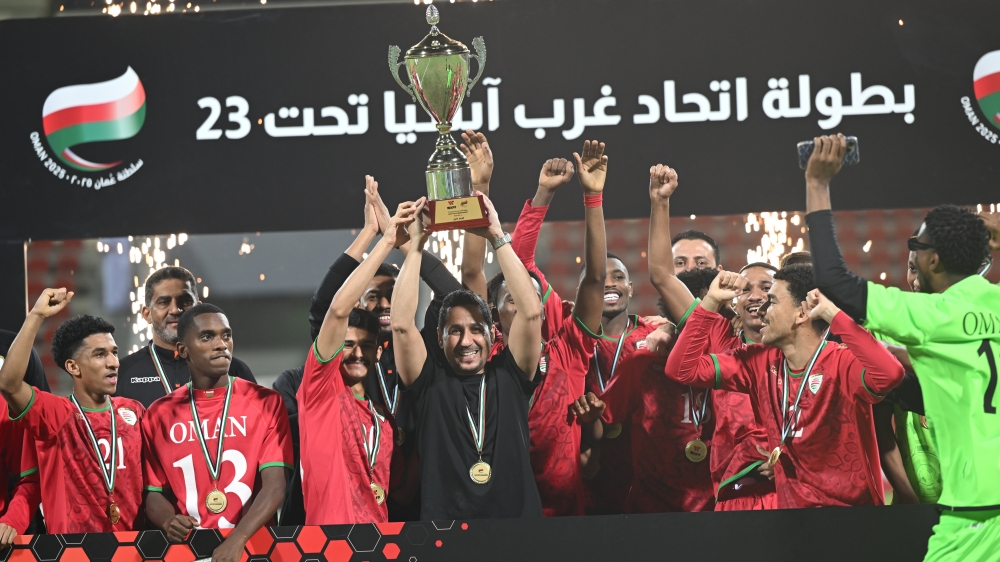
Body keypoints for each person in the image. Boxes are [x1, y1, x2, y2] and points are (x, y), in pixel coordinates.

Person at [803, 133, 1000, 560]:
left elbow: (835, 281)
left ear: (933, 261)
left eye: (918, 247)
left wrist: (817, 184)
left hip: (975, 517)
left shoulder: (930, 316)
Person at [276, 176, 460, 523]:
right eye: (375, 296)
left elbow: (456, 300)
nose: (386, 304)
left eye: (393, 294)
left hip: (405, 507)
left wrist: (408, 245)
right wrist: (375, 236)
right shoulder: (333, 373)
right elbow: (329, 308)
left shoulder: (418, 353)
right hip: (333, 516)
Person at [665, 267, 904, 508]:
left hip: (850, 517)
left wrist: (835, 316)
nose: (762, 311)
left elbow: (890, 374)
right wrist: (711, 302)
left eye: (772, 302)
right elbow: (681, 369)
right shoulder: (760, 362)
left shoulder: (842, 362)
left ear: (802, 313)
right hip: (793, 515)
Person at [391, 192, 544, 520]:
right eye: (454, 331)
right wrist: (416, 245)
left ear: (492, 333)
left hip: (518, 532)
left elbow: (531, 313)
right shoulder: (428, 384)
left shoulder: (512, 375)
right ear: (439, 337)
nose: (466, 341)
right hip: (446, 537)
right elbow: (401, 325)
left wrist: (496, 236)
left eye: (476, 329)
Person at [646, 164, 777, 510]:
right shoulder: (720, 335)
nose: (756, 296)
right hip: (735, 489)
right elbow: (661, 275)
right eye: (746, 289)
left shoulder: (808, 351)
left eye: (767, 287)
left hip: (795, 487)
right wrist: (660, 202)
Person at [488, 140, 609, 516]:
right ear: (493, 314)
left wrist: (592, 198)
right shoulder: (482, 358)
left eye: (533, 298)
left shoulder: (568, 350)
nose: (527, 304)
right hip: (500, 516)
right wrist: (540, 194)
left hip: (563, 516)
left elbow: (595, 279)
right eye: (513, 298)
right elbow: (504, 264)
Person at [297, 203, 418, 525]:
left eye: (366, 346)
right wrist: (384, 240)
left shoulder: (382, 420)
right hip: (329, 541)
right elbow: (336, 310)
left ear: (378, 352)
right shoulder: (320, 391)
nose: (357, 354)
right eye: (348, 345)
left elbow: (400, 492)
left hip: (380, 540)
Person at [143, 303, 291, 561]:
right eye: (206, 337)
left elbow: (276, 486)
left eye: (226, 335)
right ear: (183, 350)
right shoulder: (159, 414)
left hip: (253, 548)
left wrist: (237, 540)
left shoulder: (265, 402)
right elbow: (153, 493)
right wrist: (168, 520)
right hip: (187, 551)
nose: (221, 344)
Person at [0, 289, 144, 532]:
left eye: (114, 352)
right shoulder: (55, 413)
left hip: (136, 546)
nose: (113, 363)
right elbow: (9, 385)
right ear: (73, 367)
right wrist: (36, 316)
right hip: (73, 548)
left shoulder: (134, 411)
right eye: (100, 354)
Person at [117, 267, 256, 407]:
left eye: (185, 301)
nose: (175, 310)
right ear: (147, 314)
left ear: (198, 310)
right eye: (164, 302)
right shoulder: (122, 373)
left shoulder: (233, 370)